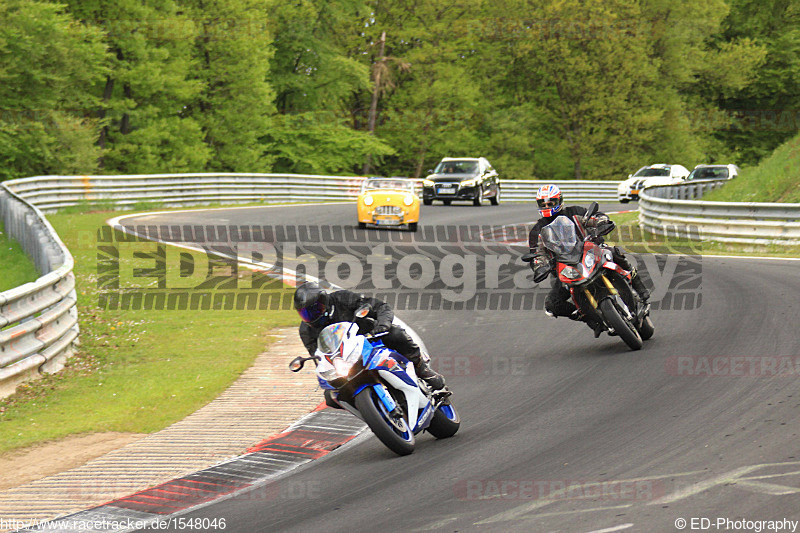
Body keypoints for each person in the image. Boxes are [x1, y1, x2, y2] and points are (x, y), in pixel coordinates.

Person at [527, 185, 650, 337]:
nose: (547, 206)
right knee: (552, 304)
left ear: (559, 201)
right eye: (543, 204)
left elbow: (593, 217)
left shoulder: (574, 212)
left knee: (614, 252)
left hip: (591, 252)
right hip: (567, 268)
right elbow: (536, 254)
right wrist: (540, 266)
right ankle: (592, 320)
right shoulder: (537, 231)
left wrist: (601, 221)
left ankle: (639, 286)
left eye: (550, 203)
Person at [293, 282, 446, 390]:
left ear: (324, 301)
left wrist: (383, 325)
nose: (310, 316)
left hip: (370, 339)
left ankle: (422, 369)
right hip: (344, 358)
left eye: (313, 310)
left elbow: (379, 306)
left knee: (395, 334)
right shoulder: (306, 330)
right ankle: (369, 410)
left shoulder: (342, 298)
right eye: (304, 313)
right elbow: (317, 355)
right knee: (331, 396)